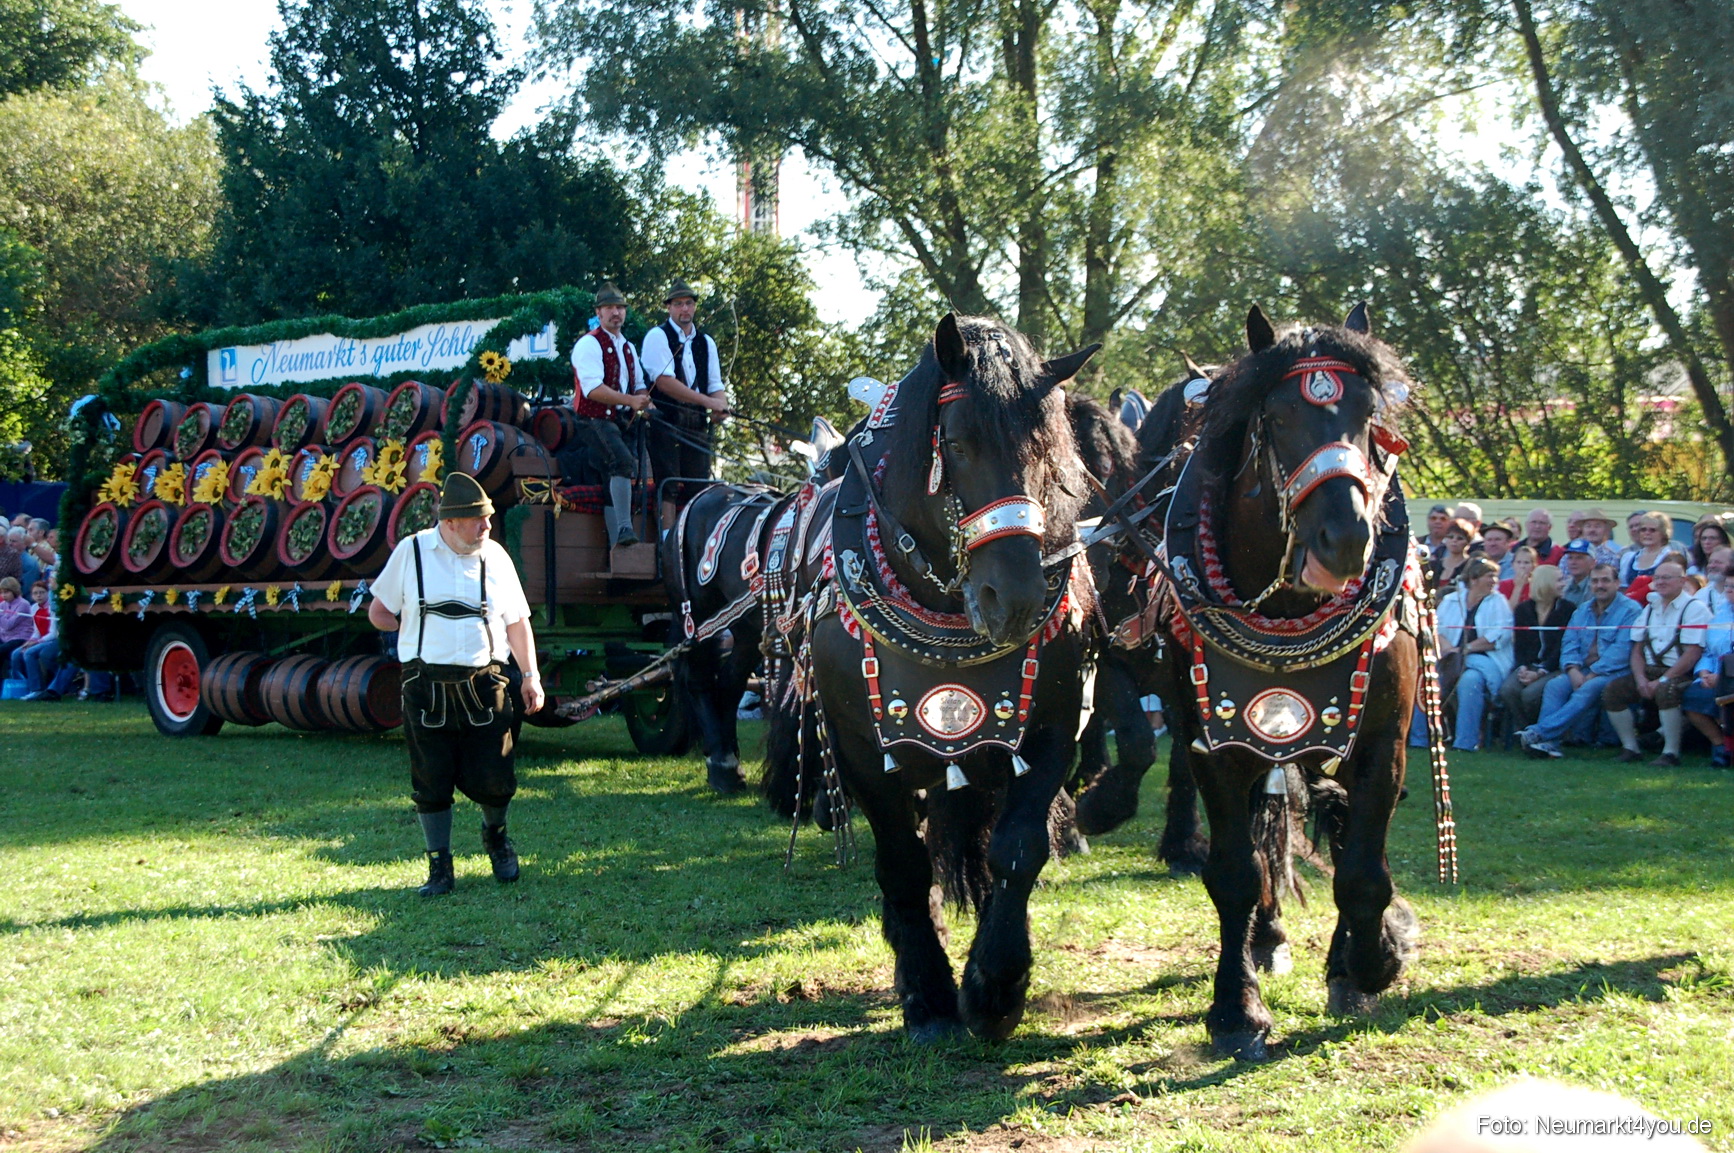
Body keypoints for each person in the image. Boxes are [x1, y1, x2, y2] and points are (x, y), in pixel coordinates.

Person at [367, 472, 545, 896]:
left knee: (496, 774)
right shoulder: (411, 553)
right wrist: (407, 625)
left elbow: (518, 623)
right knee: (431, 778)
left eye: (487, 518)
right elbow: (378, 611)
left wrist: (531, 676)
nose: (487, 526)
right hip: (425, 686)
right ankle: (440, 866)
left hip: (486, 684)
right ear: (449, 523)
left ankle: (496, 838)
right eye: (478, 520)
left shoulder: (496, 557)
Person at [1519, 564, 1642, 760]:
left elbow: (1621, 651)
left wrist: (1592, 673)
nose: (1599, 585)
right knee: (1554, 686)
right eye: (1595, 581)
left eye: (1605, 580)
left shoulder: (1631, 610)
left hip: (1616, 672)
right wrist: (1573, 669)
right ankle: (1549, 744)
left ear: (1617, 583)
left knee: (1587, 689)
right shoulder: (1583, 610)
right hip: (1582, 669)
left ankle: (1540, 733)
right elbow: (1569, 642)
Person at [565, 283, 652, 547]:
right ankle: (625, 530)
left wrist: (645, 401)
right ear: (599, 313)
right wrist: (631, 400)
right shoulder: (589, 344)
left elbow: (637, 383)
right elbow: (592, 389)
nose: (616, 313)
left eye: (620, 307)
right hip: (593, 420)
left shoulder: (627, 347)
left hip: (620, 421)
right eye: (609, 308)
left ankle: (619, 547)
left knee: (615, 476)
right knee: (622, 462)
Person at [640, 279, 730, 533]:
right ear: (669, 308)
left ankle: (694, 537)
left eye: (689, 303)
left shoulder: (706, 342)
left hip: (695, 424)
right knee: (668, 483)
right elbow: (665, 383)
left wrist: (720, 407)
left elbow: (714, 383)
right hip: (665, 420)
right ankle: (668, 539)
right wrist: (709, 402)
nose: (684, 309)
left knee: (698, 484)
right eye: (678, 304)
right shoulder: (657, 337)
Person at [1599, 561, 1709, 767]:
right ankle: (1631, 748)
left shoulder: (1695, 609)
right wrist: (1640, 678)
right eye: (1657, 577)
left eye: (1667, 578)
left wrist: (1663, 679)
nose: (1660, 582)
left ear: (1682, 581)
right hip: (1649, 671)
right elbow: (1637, 649)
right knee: (1612, 691)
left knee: (1666, 691)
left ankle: (1671, 753)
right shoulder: (1650, 608)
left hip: (1681, 673)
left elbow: (1692, 654)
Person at [1435, 558, 1513, 752]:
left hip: (1484, 658)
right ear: (1474, 578)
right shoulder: (1451, 600)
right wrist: (1449, 649)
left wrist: (1466, 649)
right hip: (1449, 658)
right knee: (1430, 680)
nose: (1494, 580)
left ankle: (1465, 743)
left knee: (1470, 681)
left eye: (1496, 575)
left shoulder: (1498, 601)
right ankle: (1421, 739)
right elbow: (1436, 628)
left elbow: (1500, 635)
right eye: (1490, 575)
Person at [1499, 564, 1575, 731]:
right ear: (1545, 582)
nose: (1564, 584)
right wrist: (1523, 668)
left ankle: (1537, 731)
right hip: (1529, 665)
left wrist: (1541, 672)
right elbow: (1520, 646)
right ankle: (1525, 730)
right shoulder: (1523, 610)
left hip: (1554, 667)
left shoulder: (1568, 610)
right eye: (1559, 580)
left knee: (1530, 695)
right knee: (1508, 690)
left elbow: (1562, 647)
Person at [1682, 568, 1734, 767]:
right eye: (1727, 586)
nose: (1729, 590)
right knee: (1692, 696)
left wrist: (1721, 677)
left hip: (1728, 678)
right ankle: (1719, 745)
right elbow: (1709, 652)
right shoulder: (1719, 617)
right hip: (1714, 676)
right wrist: (1704, 672)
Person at [1617, 511, 1670, 588]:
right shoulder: (1629, 558)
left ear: (1663, 533)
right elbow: (1623, 588)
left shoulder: (1668, 557)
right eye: (1643, 530)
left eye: (1652, 530)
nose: (1647, 533)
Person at [1429, 518, 1474, 593]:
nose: (1454, 540)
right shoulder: (1434, 565)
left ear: (1468, 542)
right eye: (1450, 537)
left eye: (1460, 538)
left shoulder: (1471, 566)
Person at [0, 576, 33, 669]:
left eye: (6, 592)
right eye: (2, 592)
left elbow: (8, 625)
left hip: (20, 638)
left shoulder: (23, 604)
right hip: (5, 637)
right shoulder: (2, 605)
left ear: (14, 590)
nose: (3, 595)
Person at [1557, 537, 1594, 604]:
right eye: (1570, 558)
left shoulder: (1596, 588)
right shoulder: (1563, 587)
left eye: (1579, 558)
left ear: (1592, 563)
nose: (1573, 562)